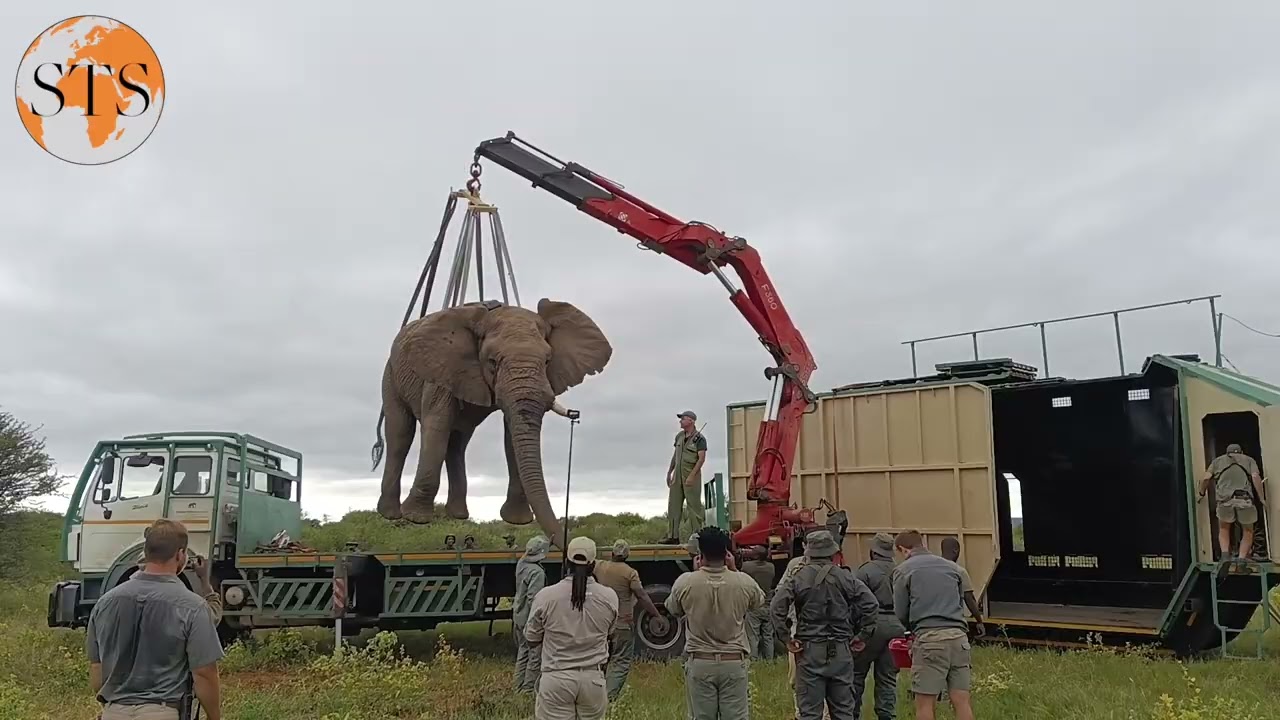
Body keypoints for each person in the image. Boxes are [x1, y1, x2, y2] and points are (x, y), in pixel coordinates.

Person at [85, 518, 224, 720]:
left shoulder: (105, 602)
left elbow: (97, 668)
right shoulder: (192, 606)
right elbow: (204, 672)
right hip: (162, 711)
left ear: (146, 552)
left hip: (114, 711)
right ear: (180, 554)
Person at [771, 530, 879, 720]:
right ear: (833, 552)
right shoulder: (846, 577)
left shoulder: (797, 576)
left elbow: (776, 607)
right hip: (841, 649)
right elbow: (871, 604)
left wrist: (786, 638)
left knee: (810, 712)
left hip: (809, 649)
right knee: (843, 711)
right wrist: (863, 636)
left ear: (808, 553)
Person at [666, 526, 765, 720]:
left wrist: (696, 573)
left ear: (700, 555)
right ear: (727, 554)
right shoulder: (743, 582)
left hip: (700, 661)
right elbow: (758, 601)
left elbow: (673, 609)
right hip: (734, 662)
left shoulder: (685, 582)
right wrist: (735, 569)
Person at [525, 536, 619, 720]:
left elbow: (531, 639)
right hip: (593, 679)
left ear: (567, 562)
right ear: (593, 565)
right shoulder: (609, 597)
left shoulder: (546, 597)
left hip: (556, 677)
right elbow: (611, 633)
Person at [891, 530, 975, 720]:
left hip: (930, 640)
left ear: (903, 549)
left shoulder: (904, 570)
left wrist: (910, 631)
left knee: (925, 703)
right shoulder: (952, 568)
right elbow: (961, 600)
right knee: (961, 700)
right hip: (959, 639)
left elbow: (901, 612)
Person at [592, 539, 669, 701]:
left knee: (602, 660)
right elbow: (641, 596)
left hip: (602, 623)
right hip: (622, 624)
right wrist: (657, 614)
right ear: (627, 556)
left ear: (612, 553)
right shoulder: (630, 573)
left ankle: (595, 696)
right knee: (620, 662)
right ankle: (608, 699)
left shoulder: (600, 567)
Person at [852, 532, 907, 720]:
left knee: (856, 675)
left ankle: (852, 714)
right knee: (888, 677)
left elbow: (856, 602)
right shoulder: (901, 570)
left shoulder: (865, 570)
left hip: (872, 625)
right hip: (897, 625)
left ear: (873, 551)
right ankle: (887, 715)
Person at [1199, 443, 1267, 562]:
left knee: (1224, 529)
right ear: (1241, 452)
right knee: (1248, 530)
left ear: (1227, 453)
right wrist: (1261, 498)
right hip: (1244, 500)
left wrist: (1201, 493)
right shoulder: (1249, 460)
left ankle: (1225, 555)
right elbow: (1255, 477)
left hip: (1224, 501)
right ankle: (1241, 559)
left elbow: (1205, 478)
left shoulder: (1217, 461)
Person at [660, 410, 708, 544]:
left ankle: (697, 536)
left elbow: (701, 459)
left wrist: (692, 476)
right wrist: (669, 472)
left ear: (691, 421)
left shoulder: (700, 439)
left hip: (691, 475)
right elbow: (675, 455)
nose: (680, 421)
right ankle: (673, 536)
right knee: (673, 505)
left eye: (683, 419)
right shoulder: (679, 436)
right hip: (677, 476)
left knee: (694, 506)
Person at [514, 535, 550, 693]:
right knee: (535, 655)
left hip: (518, 615)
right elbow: (534, 600)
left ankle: (518, 685)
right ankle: (528, 689)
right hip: (529, 618)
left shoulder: (521, 564)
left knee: (523, 652)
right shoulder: (537, 573)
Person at [938, 538, 986, 638]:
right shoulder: (959, 571)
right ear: (956, 551)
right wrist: (979, 621)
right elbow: (969, 599)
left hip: (933, 623)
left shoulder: (931, 569)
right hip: (953, 622)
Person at [740, 545, 777, 660]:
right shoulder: (771, 567)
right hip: (768, 605)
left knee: (753, 636)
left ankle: (754, 659)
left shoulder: (747, 566)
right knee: (768, 635)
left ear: (755, 556)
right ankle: (769, 660)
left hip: (755, 605)